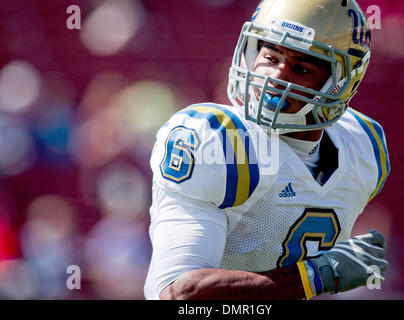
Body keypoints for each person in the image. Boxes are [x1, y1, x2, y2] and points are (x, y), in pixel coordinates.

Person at [144, 0, 390, 300]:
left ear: (339, 83)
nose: (276, 78)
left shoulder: (364, 145)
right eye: (271, 57)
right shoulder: (217, 138)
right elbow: (180, 296)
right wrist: (317, 275)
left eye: (301, 68)